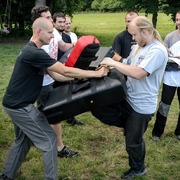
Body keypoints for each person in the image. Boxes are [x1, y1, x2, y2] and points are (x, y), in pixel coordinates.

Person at [0, 17, 108, 180]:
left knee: (24, 139)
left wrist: (80, 78)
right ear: (39, 32)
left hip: (14, 103)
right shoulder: (34, 53)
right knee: (50, 140)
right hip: (20, 106)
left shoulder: (35, 52)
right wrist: (95, 73)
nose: (53, 36)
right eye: (50, 32)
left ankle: (7, 175)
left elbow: (57, 75)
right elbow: (65, 71)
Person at [91, 16, 168, 179]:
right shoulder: (137, 47)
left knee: (132, 142)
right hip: (128, 98)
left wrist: (114, 63)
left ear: (144, 31)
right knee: (98, 108)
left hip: (142, 106)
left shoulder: (157, 51)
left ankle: (138, 168)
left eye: (134, 35)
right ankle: (131, 127)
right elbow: (127, 63)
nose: (132, 38)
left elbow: (139, 73)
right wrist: (108, 60)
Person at [31, 6, 80, 158]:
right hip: (42, 84)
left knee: (44, 113)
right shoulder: (37, 45)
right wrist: (82, 75)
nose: (50, 21)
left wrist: (78, 45)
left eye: (50, 17)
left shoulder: (54, 33)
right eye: (47, 18)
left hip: (50, 80)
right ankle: (59, 148)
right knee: (54, 114)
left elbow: (64, 47)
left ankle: (35, 137)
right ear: (38, 23)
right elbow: (58, 72)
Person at [152, 11, 180, 141]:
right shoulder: (170, 37)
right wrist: (174, 59)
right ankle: (157, 133)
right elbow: (165, 56)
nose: (179, 22)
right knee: (164, 105)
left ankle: (179, 132)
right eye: (177, 19)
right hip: (170, 77)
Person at [53, 12, 84, 126]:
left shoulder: (66, 37)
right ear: (53, 23)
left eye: (64, 22)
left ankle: (70, 118)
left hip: (66, 69)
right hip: (53, 70)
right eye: (59, 22)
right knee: (55, 97)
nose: (62, 25)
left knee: (68, 95)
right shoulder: (51, 36)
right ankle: (54, 119)